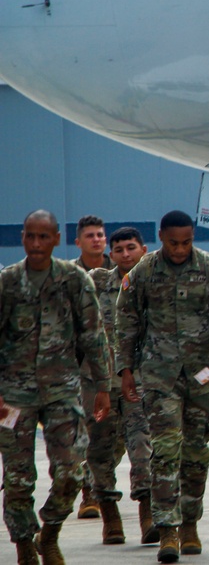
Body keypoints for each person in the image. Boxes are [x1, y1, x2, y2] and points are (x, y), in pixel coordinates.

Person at [116, 210, 209, 563]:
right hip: (159, 376)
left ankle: (190, 523)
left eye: (186, 242)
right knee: (166, 450)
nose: (180, 249)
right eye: (173, 242)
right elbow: (125, 320)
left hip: (202, 376)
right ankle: (167, 530)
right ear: (161, 237)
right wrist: (124, 369)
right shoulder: (144, 271)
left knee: (196, 453)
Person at [0, 210, 112, 565]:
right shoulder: (8, 283)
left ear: (56, 240)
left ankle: (48, 534)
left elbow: (94, 336)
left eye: (43, 237)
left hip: (62, 390)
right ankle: (23, 545)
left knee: (71, 470)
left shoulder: (74, 281)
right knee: (18, 479)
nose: (36, 244)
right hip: (14, 395)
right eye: (30, 236)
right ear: (22, 238)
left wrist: (104, 386)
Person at [86, 227, 157, 546]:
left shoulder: (155, 282)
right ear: (111, 254)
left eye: (131, 248)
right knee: (100, 449)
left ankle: (147, 513)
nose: (126, 254)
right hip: (100, 382)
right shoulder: (97, 282)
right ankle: (109, 515)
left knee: (141, 445)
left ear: (143, 249)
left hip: (139, 381)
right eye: (119, 249)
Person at [74, 214, 112, 520]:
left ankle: (104, 485)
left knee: (125, 434)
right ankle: (90, 493)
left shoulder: (124, 271)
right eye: (90, 235)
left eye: (100, 234)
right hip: (84, 367)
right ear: (79, 242)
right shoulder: (69, 276)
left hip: (122, 364)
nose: (97, 239)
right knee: (90, 428)